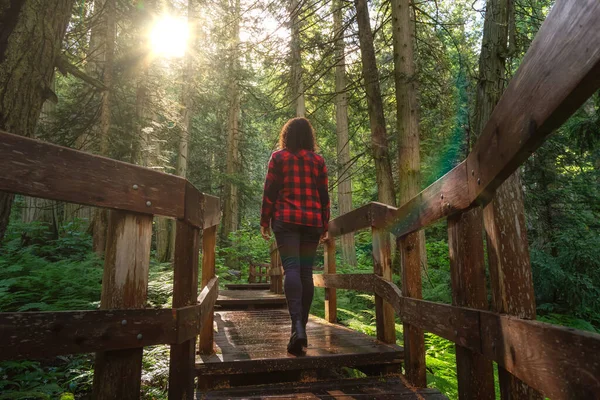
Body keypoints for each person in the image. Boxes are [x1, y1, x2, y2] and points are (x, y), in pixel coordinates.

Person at [260, 117, 330, 356]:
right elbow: (324, 195)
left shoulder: (278, 158)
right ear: (309, 137)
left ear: (286, 135)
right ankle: (300, 328)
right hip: (312, 222)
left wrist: (264, 221)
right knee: (305, 272)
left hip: (286, 220)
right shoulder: (318, 161)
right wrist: (325, 224)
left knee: (291, 269)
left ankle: (297, 327)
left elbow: (270, 191)